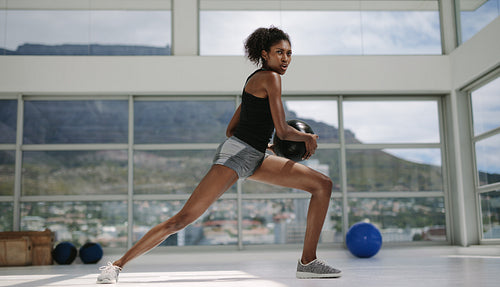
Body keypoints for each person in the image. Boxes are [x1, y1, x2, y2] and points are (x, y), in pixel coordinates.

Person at [96, 26, 342, 284]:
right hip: (237, 156)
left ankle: (308, 262)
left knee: (322, 185)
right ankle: (116, 266)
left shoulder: (254, 81)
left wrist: (267, 146)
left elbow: (231, 129)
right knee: (182, 220)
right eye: (279, 52)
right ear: (264, 54)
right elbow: (282, 129)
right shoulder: (271, 78)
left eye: (289, 53)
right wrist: (306, 137)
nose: (285, 59)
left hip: (256, 155)